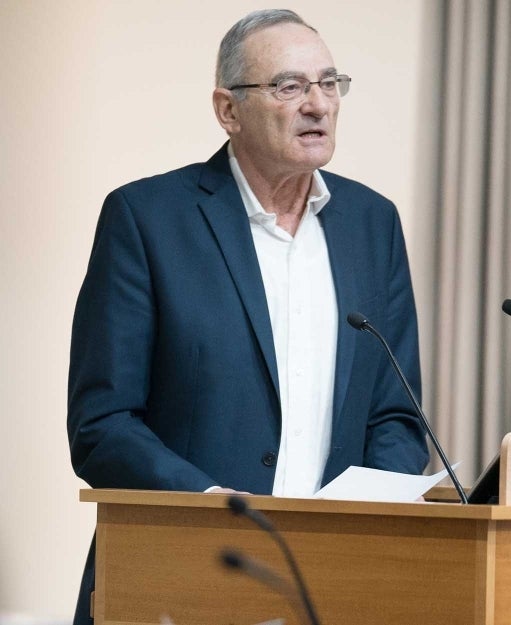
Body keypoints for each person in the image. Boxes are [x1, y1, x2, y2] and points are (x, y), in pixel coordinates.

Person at [66, 9, 428, 624]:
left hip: (329, 585)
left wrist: (359, 517)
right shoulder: (147, 218)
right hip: (178, 576)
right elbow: (103, 423)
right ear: (228, 109)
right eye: (289, 86)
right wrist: (206, 503)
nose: (318, 104)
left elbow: (396, 413)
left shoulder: (373, 225)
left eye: (329, 82)